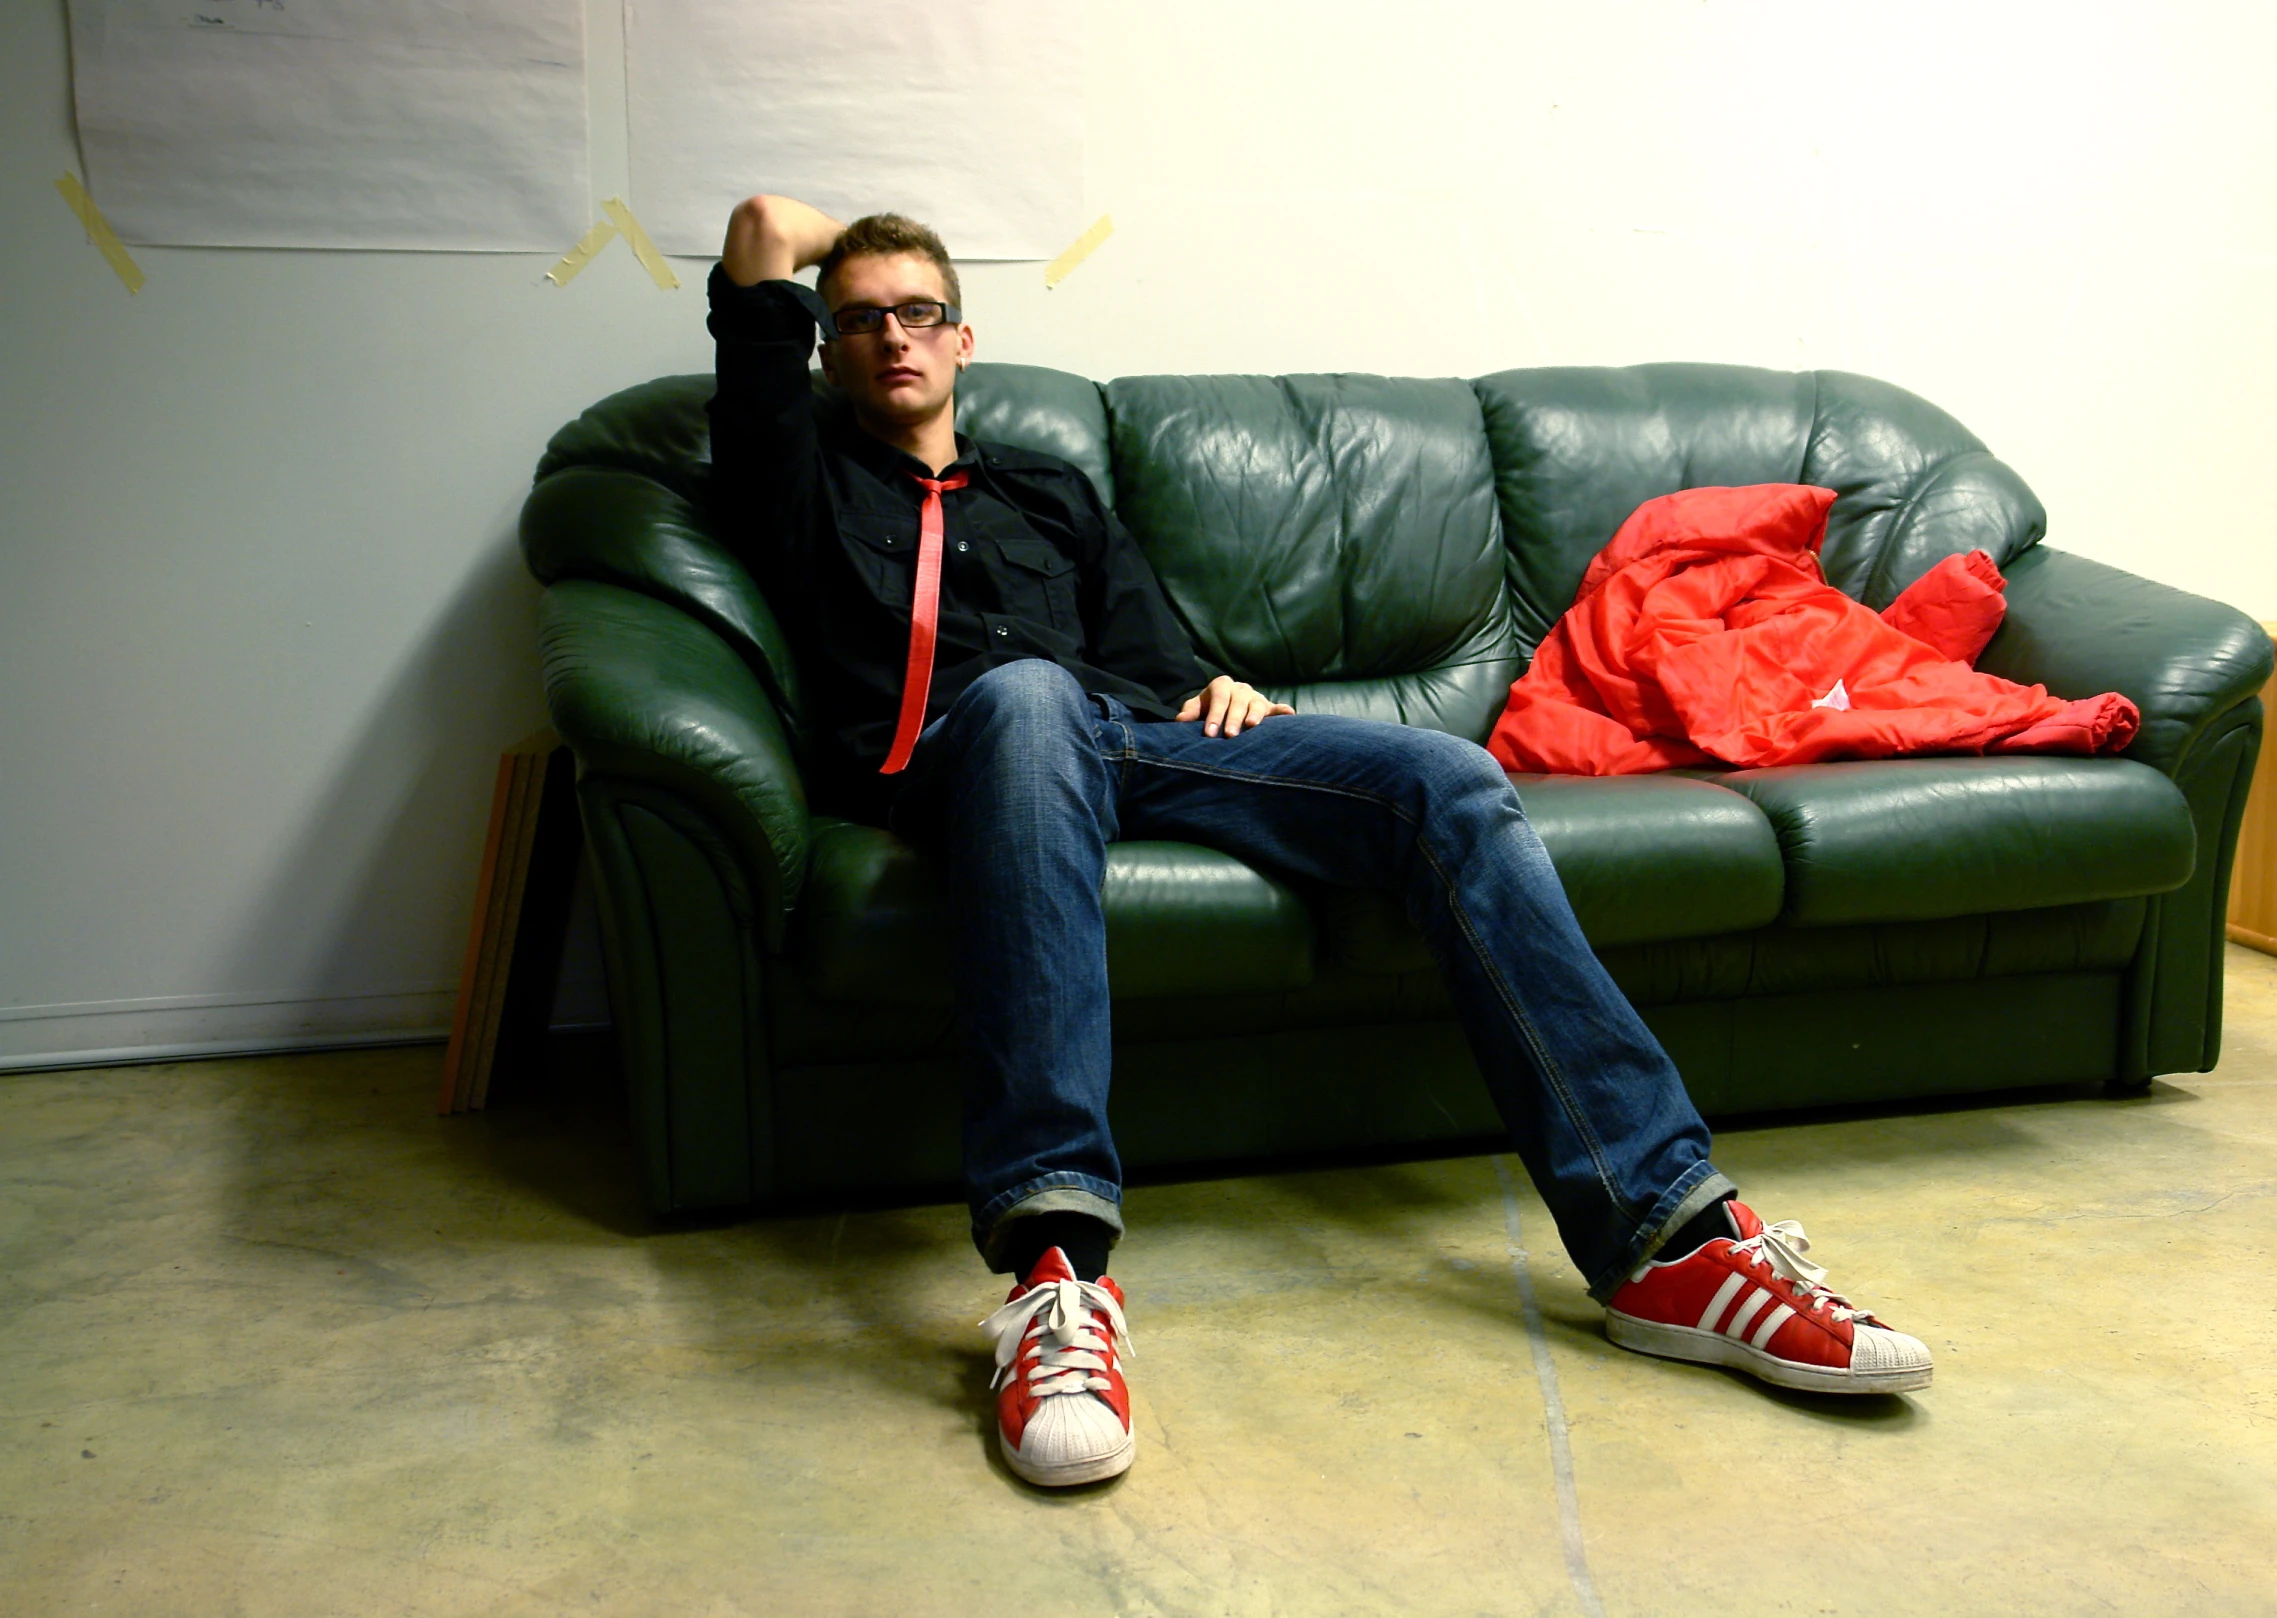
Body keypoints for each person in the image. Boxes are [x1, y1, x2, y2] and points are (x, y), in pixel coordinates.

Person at [705, 193, 1934, 1489]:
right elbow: (757, 228)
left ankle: (1668, 1239)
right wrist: (835, 247)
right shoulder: (800, 471)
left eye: (920, 312)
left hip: (1122, 742)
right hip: (962, 758)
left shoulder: (1051, 491)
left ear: (965, 337)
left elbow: (1152, 658)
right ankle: (1057, 1275)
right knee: (1024, 696)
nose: (893, 335)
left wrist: (1211, 689)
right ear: (826, 348)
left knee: (1448, 781)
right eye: (859, 318)